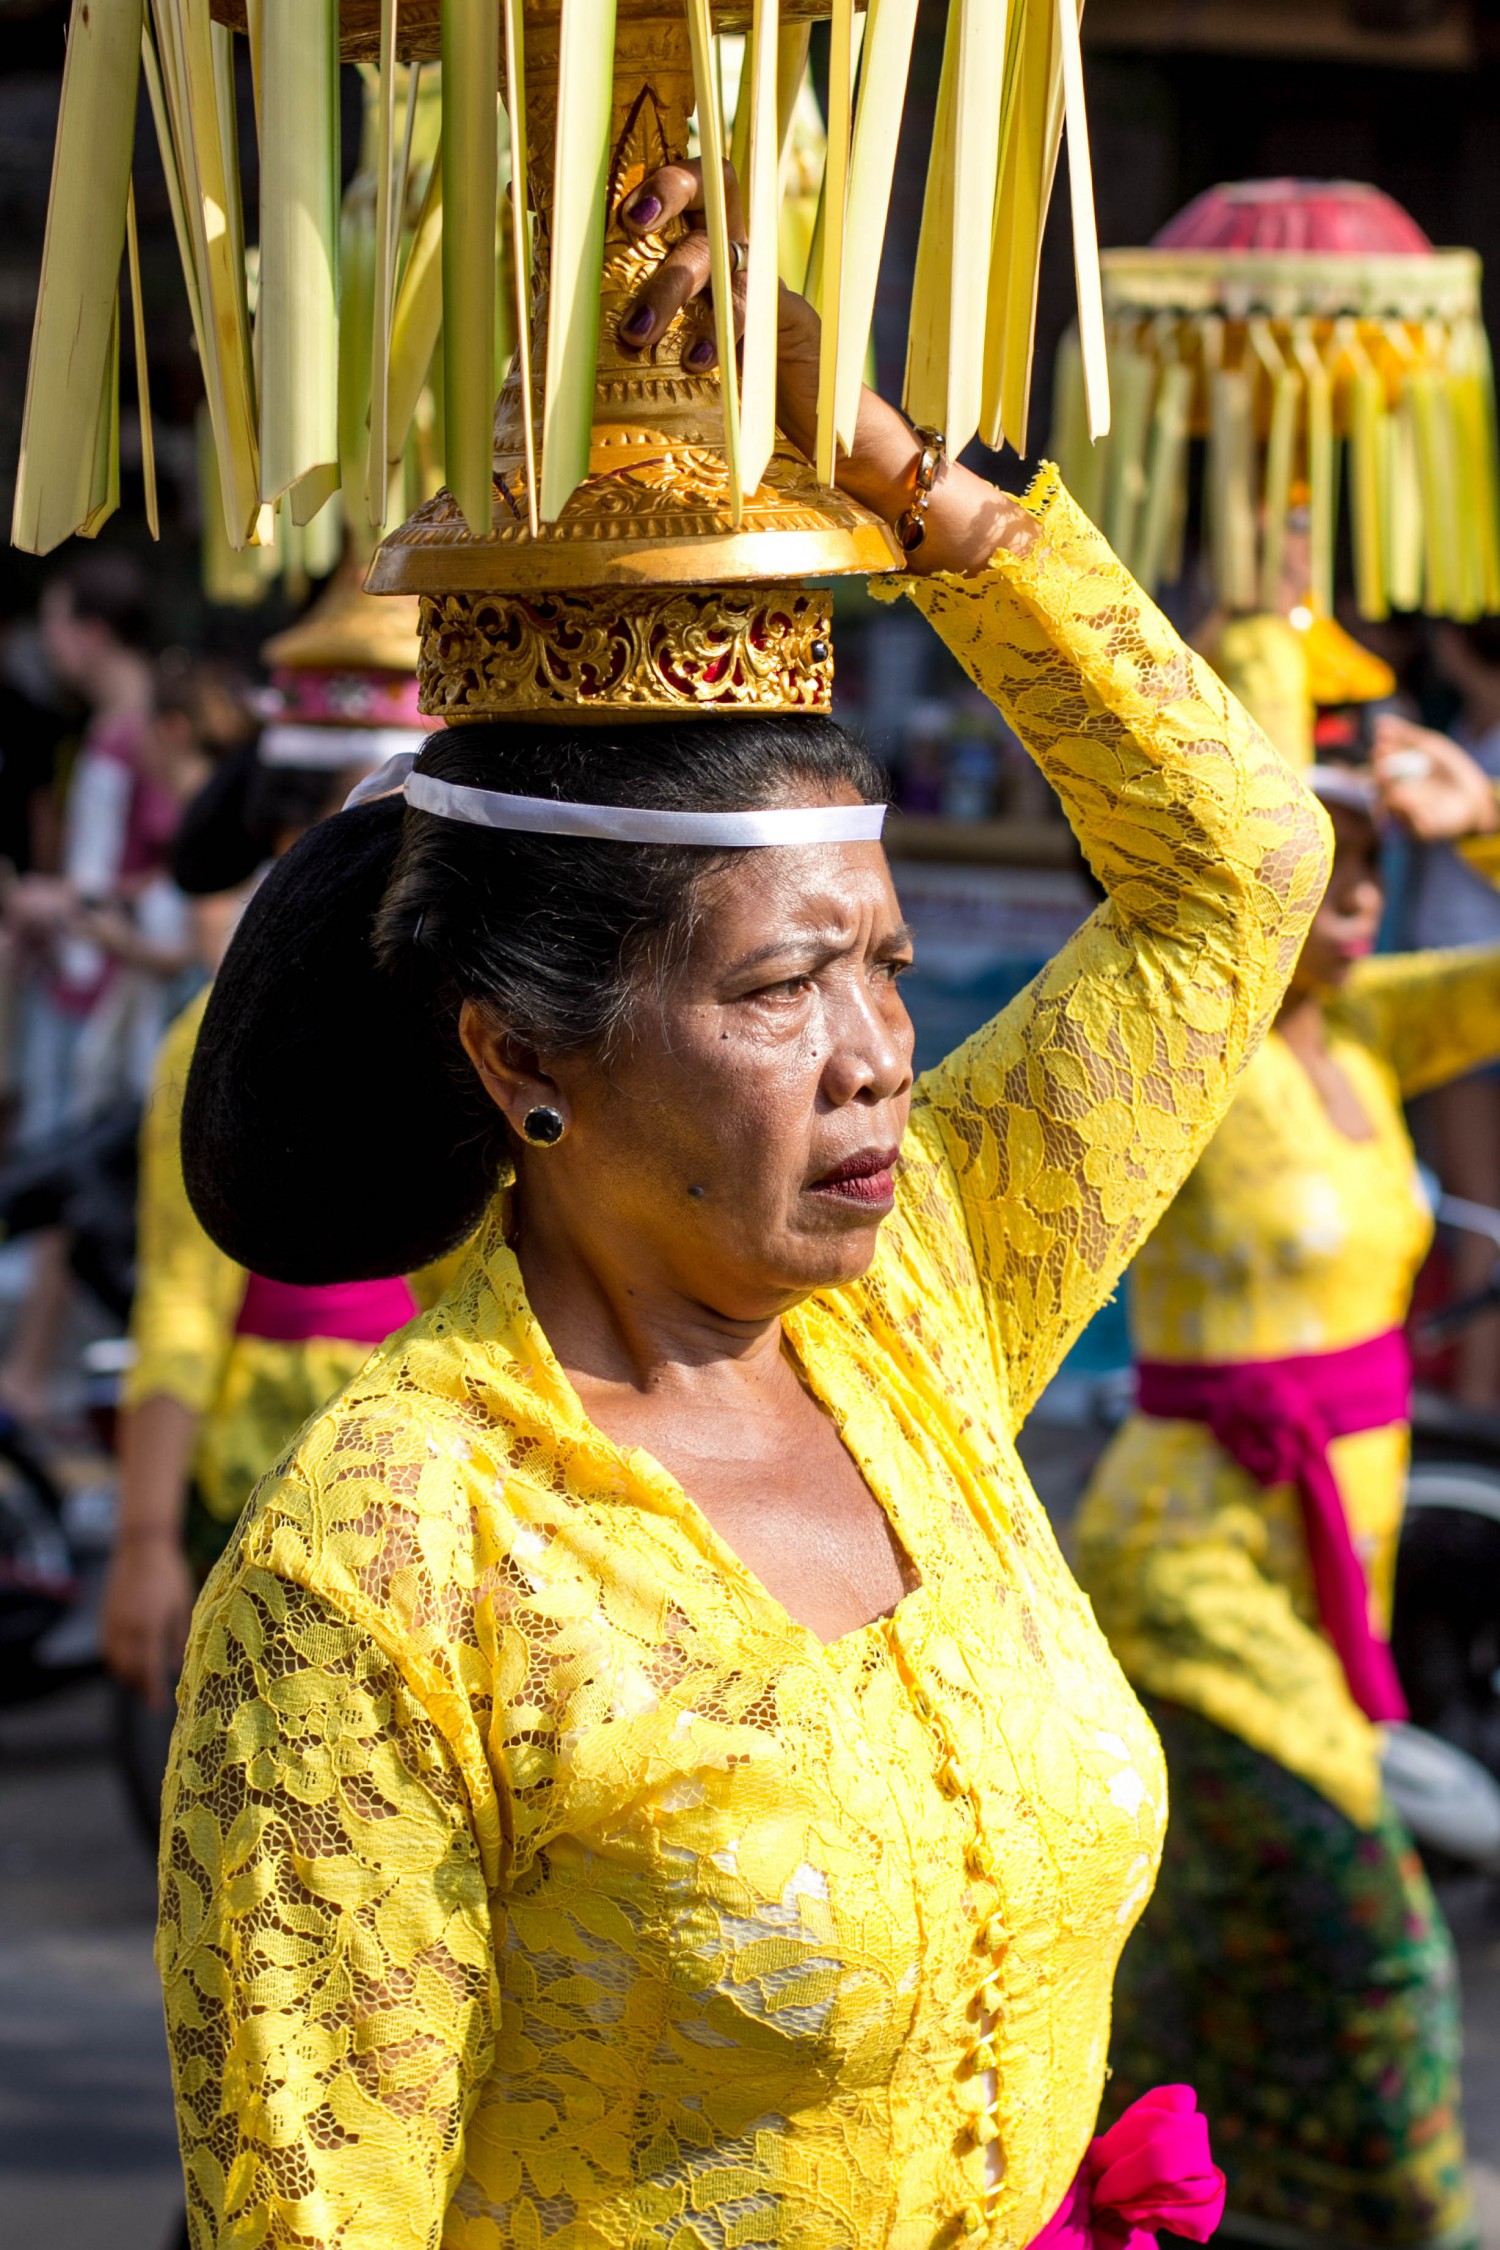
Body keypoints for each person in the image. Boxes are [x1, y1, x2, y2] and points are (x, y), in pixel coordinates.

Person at [153, 173, 1325, 2250]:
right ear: (526, 1056)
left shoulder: (923, 1306)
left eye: (881, 964)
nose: (879, 1050)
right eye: (783, 986)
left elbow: (1236, 873)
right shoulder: (387, 1574)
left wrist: (899, 477)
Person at [1073, 733, 1500, 2250]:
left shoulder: (1371, 1033)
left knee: (1193, 1955)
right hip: (1186, 1576)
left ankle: (1209, 2206)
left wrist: (1489, 820)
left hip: (1335, 1583)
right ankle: (1412, 2222)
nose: (1361, 907)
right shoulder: (1186, 1036)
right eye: (1327, 877)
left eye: (1378, 875)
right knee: (1378, 1940)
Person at [104, 582, 444, 1712]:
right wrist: (145, 1537)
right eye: (321, 822)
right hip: (272, 1480)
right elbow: (182, 1306)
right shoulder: (216, 1039)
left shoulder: (517, 1026)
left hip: (472, 1492)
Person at [1390, 624, 1500, 1404]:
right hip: (1449, 997)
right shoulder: (1460, 736)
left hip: (1468, 1004)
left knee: (1479, 1223)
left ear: (1460, 649)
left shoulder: (1460, 744)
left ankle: (1478, 1408)